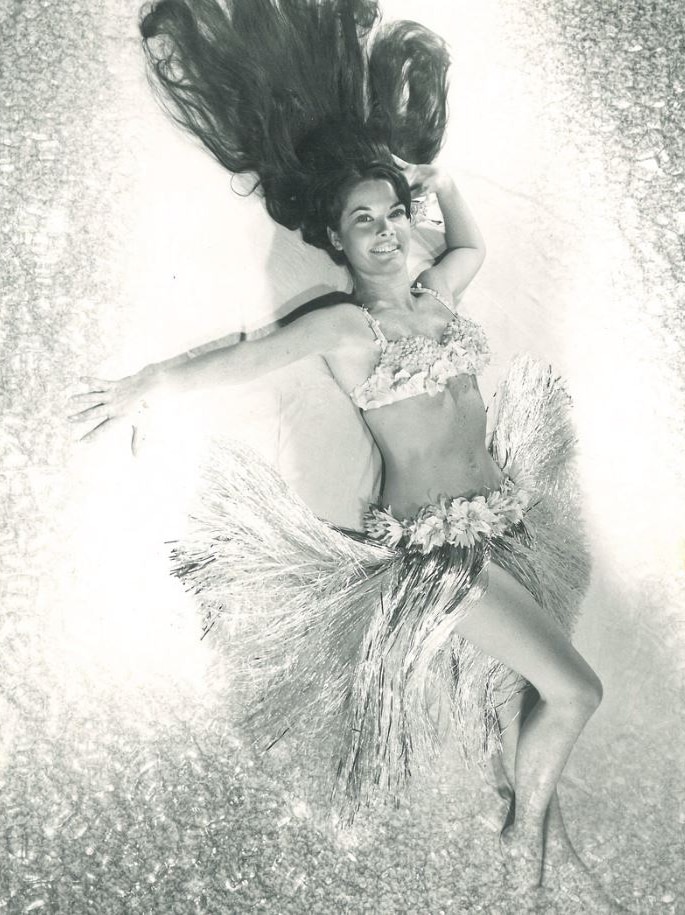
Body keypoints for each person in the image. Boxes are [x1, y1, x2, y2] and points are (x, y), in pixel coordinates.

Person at [69, 0, 603, 894]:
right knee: (576, 692)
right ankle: (522, 847)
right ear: (337, 240)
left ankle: (513, 808)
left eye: (391, 212)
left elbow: (470, 237)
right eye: (363, 221)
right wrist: (150, 385)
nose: (385, 228)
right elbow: (240, 359)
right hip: (435, 559)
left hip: (498, 528)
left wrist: (432, 173)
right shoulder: (345, 326)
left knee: (533, 692)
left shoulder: (441, 293)